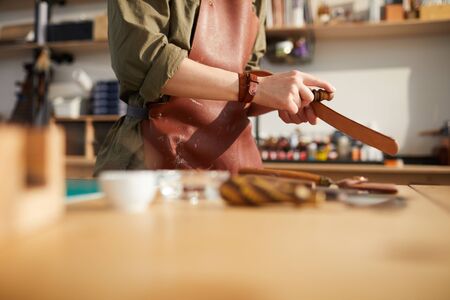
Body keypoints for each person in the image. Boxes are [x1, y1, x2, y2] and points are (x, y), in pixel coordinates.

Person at [94, 0, 335, 175]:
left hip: (232, 166)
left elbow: (243, 81)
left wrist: (280, 96)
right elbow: (145, 61)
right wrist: (256, 87)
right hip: (154, 160)